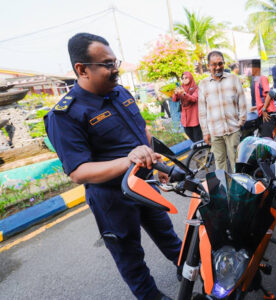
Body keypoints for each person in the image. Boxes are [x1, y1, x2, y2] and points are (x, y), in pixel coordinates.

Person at [44, 33, 181, 300]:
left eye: (114, 61)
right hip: (112, 199)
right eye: (106, 64)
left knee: (168, 236)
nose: (114, 68)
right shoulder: (66, 115)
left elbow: (143, 131)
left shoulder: (119, 92)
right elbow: (78, 172)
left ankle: (188, 270)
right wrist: (130, 160)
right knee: (130, 257)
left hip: (144, 185)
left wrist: (157, 166)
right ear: (82, 70)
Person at [198, 50, 247, 172]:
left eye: (220, 63)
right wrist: (205, 132)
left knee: (236, 162)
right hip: (215, 131)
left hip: (233, 129)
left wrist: (241, 121)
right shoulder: (203, 84)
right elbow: (202, 110)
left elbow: (242, 101)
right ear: (208, 66)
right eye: (214, 64)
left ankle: (237, 188)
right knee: (220, 163)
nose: (217, 67)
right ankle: (224, 188)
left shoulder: (233, 79)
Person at [173, 71, 202, 142]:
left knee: (198, 139)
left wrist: (184, 94)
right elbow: (174, 100)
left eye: (186, 78)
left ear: (190, 78)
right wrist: (176, 94)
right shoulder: (181, 87)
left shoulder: (196, 88)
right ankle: (198, 151)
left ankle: (202, 151)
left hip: (194, 117)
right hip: (185, 118)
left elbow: (194, 99)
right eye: (183, 78)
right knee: (189, 134)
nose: (184, 80)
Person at [248, 59, 274, 138]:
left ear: (256, 68)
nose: (249, 71)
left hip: (266, 113)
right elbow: (262, 97)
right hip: (262, 113)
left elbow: (269, 94)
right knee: (262, 137)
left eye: (250, 68)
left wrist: (264, 109)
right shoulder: (256, 80)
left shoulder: (263, 78)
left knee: (267, 139)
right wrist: (257, 107)